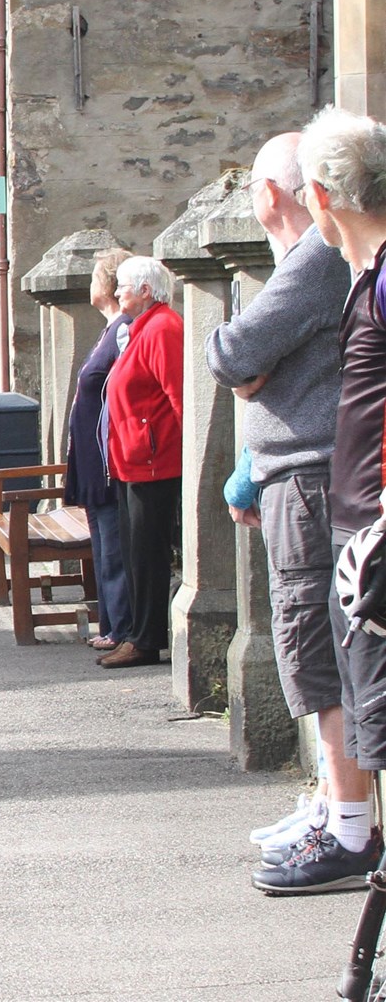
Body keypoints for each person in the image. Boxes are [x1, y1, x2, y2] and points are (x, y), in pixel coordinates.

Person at [202, 130, 371, 893]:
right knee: (314, 651)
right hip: (300, 476)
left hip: (311, 478)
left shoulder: (318, 258)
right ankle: (336, 812)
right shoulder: (323, 260)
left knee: (315, 650)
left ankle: (349, 827)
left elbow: (235, 355)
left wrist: (249, 366)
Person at [285, 107, 386, 885]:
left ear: (319, 196)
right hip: (359, 540)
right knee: (367, 720)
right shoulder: (366, 275)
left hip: (376, 543)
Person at [97, 256, 182, 670]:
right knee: (135, 552)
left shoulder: (163, 328)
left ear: (145, 290)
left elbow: (179, 396)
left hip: (154, 461)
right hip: (134, 460)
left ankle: (146, 639)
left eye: (123, 287)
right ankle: (138, 635)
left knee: (147, 554)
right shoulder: (143, 328)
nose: (117, 294)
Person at [63, 247, 134, 654]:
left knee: (113, 546)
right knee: (103, 543)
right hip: (93, 459)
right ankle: (110, 622)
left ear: (106, 284)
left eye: (93, 277)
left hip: (108, 458)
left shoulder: (122, 328)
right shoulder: (109, 329)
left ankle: (119, 625)